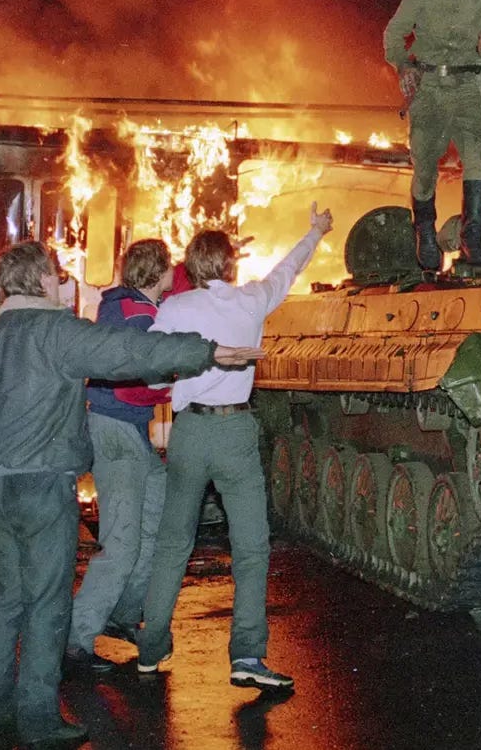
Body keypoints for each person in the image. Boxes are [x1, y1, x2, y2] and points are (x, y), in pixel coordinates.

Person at [0, 241, 261, 749]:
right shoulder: (56, 333)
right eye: (56, 275)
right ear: (45, 280)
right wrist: (206, 352)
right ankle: (39, 718)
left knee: (7, 595)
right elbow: (129, 352)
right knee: (49, 601)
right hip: (45, 484)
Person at [137, 202, 334, 692]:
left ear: (189, 267)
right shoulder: (252, 300)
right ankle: (247, 654)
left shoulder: (174, 308)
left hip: (190, 432)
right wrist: (316, 231)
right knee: (250, 547)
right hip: (235, 434)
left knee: (172, 544)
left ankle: (151, 648)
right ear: (229, 265)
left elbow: (151, 367)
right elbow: (289, 268)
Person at [64, 239, 177, 675]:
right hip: (118, 432)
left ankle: (123, 613)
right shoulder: (139, 316)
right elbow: (138, 378)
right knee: (124, 540)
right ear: (159, 272)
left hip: (128, 430)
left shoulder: (120, 305)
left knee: (154, 519)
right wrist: (181, 384)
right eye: (169, 268)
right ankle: (77, 638)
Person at [383, 0, 481, 271]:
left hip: (469, 86)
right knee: (424, 162)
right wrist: (404, 66)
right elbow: (394, 33)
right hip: (429, 86)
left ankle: (473, 237)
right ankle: (424, 229)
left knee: (476, 156)